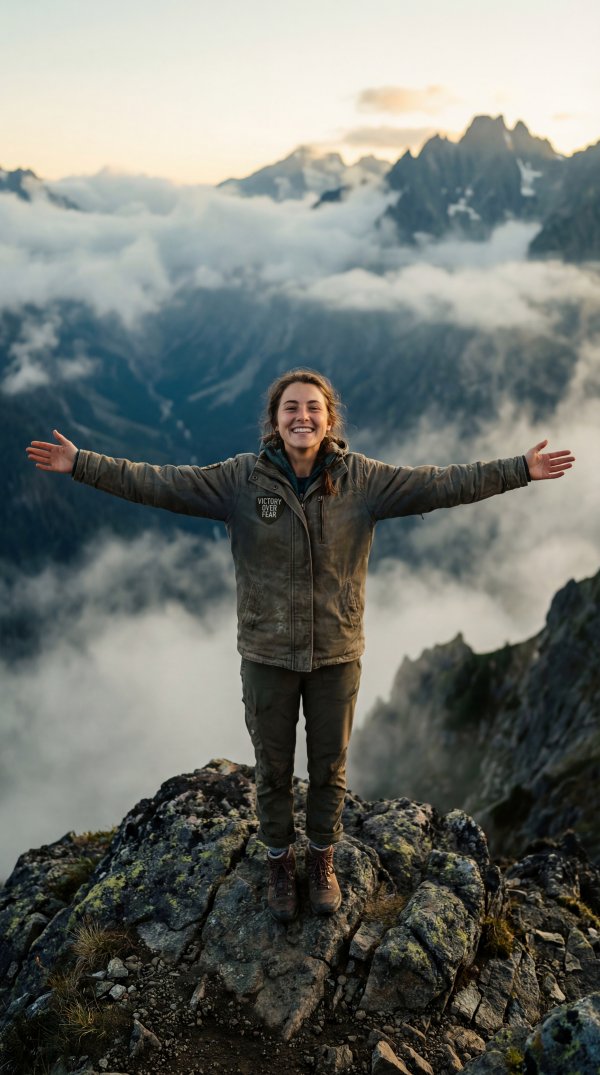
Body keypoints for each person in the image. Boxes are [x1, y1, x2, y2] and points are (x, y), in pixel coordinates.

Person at [26, 368, 575, 923]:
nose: (302, 417)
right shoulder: (241, 480)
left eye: (312, 408)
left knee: (330, 767)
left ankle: (321, 858)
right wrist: (82, 465)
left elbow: (442, 483)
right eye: (291, 408)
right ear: (274, 420)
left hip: (337, 654)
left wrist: (520, 471)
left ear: (330, 419)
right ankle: (279, 863)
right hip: (267, 654)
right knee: (272, 768)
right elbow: (161, 482)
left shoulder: (363, 480)